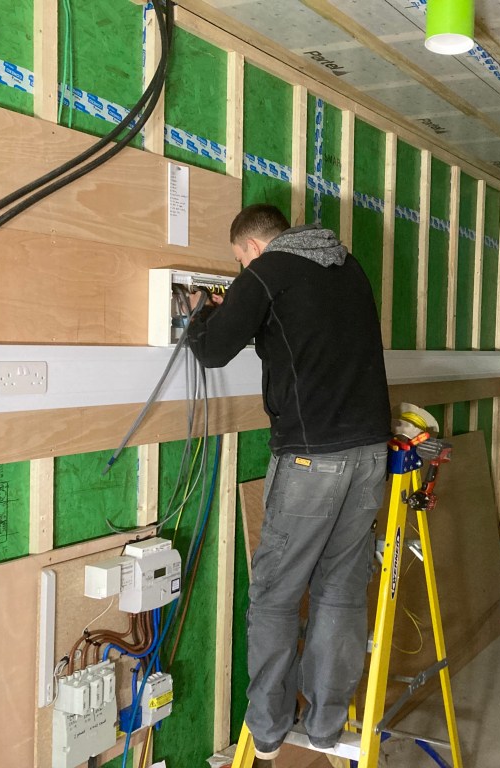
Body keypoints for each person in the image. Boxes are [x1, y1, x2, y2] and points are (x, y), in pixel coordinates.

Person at [187, 204, 391, 760]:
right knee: (340, 590)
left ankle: (269, 730)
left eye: (240, 261)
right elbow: (303, 334)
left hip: (311, 459)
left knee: (275, 596)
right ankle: (325, 726)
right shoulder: (346, 265)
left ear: (253, 248)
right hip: (370, 452)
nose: (242, 269)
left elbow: (211, 350)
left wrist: (198, 313)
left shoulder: (266, 272)